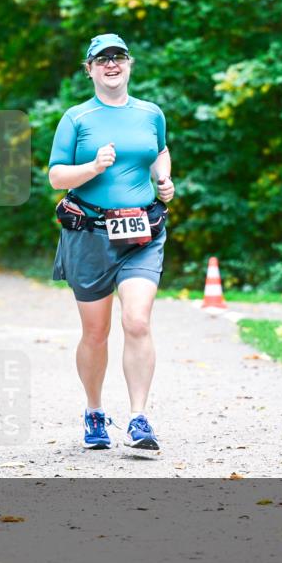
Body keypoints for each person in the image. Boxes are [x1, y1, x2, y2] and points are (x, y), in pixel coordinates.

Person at [48, 34, 176, 453]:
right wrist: (92, 166)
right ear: (89, 69)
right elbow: (56, 178)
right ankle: (94, 411)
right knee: (96, 332)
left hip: (141, 232)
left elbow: (160, 151)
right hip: (89, 233)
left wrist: (164, 179)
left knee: (136, 321)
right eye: (102, 60)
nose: (111, 65)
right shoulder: (76, 118)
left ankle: (139, 418)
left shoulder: (150, 113)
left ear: (129, 64)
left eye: (118, 57)